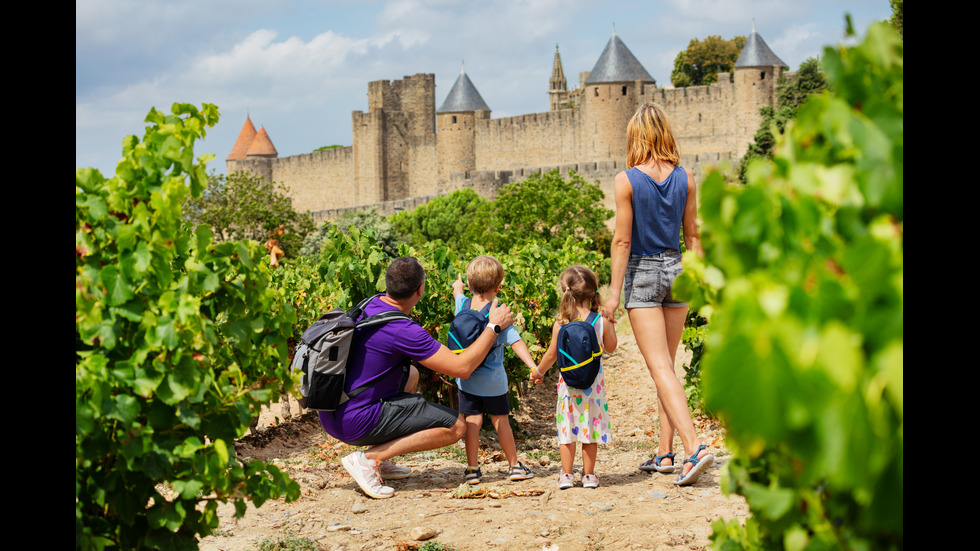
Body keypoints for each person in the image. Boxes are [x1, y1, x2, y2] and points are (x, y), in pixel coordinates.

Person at [318, 256, 515, 499]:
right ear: (420, 289)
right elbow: (462, 368)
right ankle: (369, 459)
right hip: (354, 421)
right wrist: (493, 327)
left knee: (410, 374)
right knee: (455, 426)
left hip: (331, 410)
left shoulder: (371, 303)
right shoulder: (403, 330)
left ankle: (380, 455)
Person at [603, 102, 714, 486]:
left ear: (636, 136)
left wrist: (614, 294)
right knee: (666, 365)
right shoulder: (687, 178)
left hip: (643, 273)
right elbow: (694, 235)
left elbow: (621, 241)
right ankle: (665, 452)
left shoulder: (626, 180)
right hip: (678, 272)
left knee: (660, 368)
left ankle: (693, 448)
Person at [451, 256, 537, 484]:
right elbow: (516, 341)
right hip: (493, 383)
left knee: (473, 421)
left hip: (467, 380)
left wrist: (457, 287)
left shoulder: (463, 307)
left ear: (470, 285)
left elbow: (457, 295)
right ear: (499, 286)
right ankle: (514, 466)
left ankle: (472, 469)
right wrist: (532, 366)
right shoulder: (497, 313)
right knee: (501, 421)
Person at [531, 265, 618, 489]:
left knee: (567, 428)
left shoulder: (561, 324)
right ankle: (588, 475)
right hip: (594, 387)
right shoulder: (600, 321)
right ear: (594, 293)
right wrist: (610, 322)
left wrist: (539, 372)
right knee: (590, 426)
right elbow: (611, 347)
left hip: (568, 387)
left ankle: (567, 475)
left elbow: (552, 354)